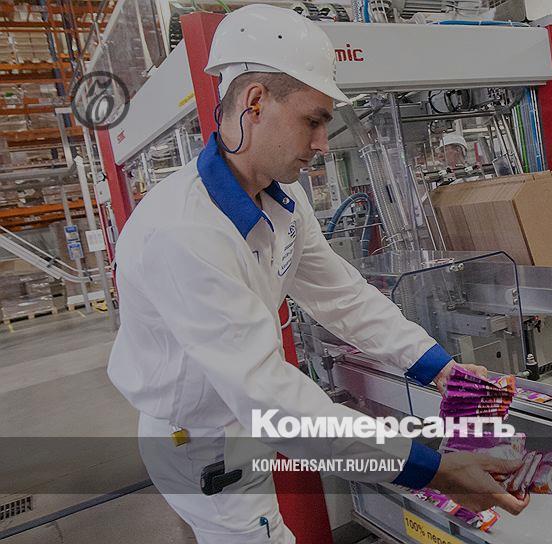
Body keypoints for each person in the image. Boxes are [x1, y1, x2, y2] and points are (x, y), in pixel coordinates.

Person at [106, 5, 528, 543]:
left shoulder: (283, 199)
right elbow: (271, 399)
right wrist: (433, 469)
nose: (324, 143)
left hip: (240, 414)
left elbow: (341, 295)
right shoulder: (184, 233)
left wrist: (440, 369)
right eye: (314, 120)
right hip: (203, 441)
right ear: (255, 102)